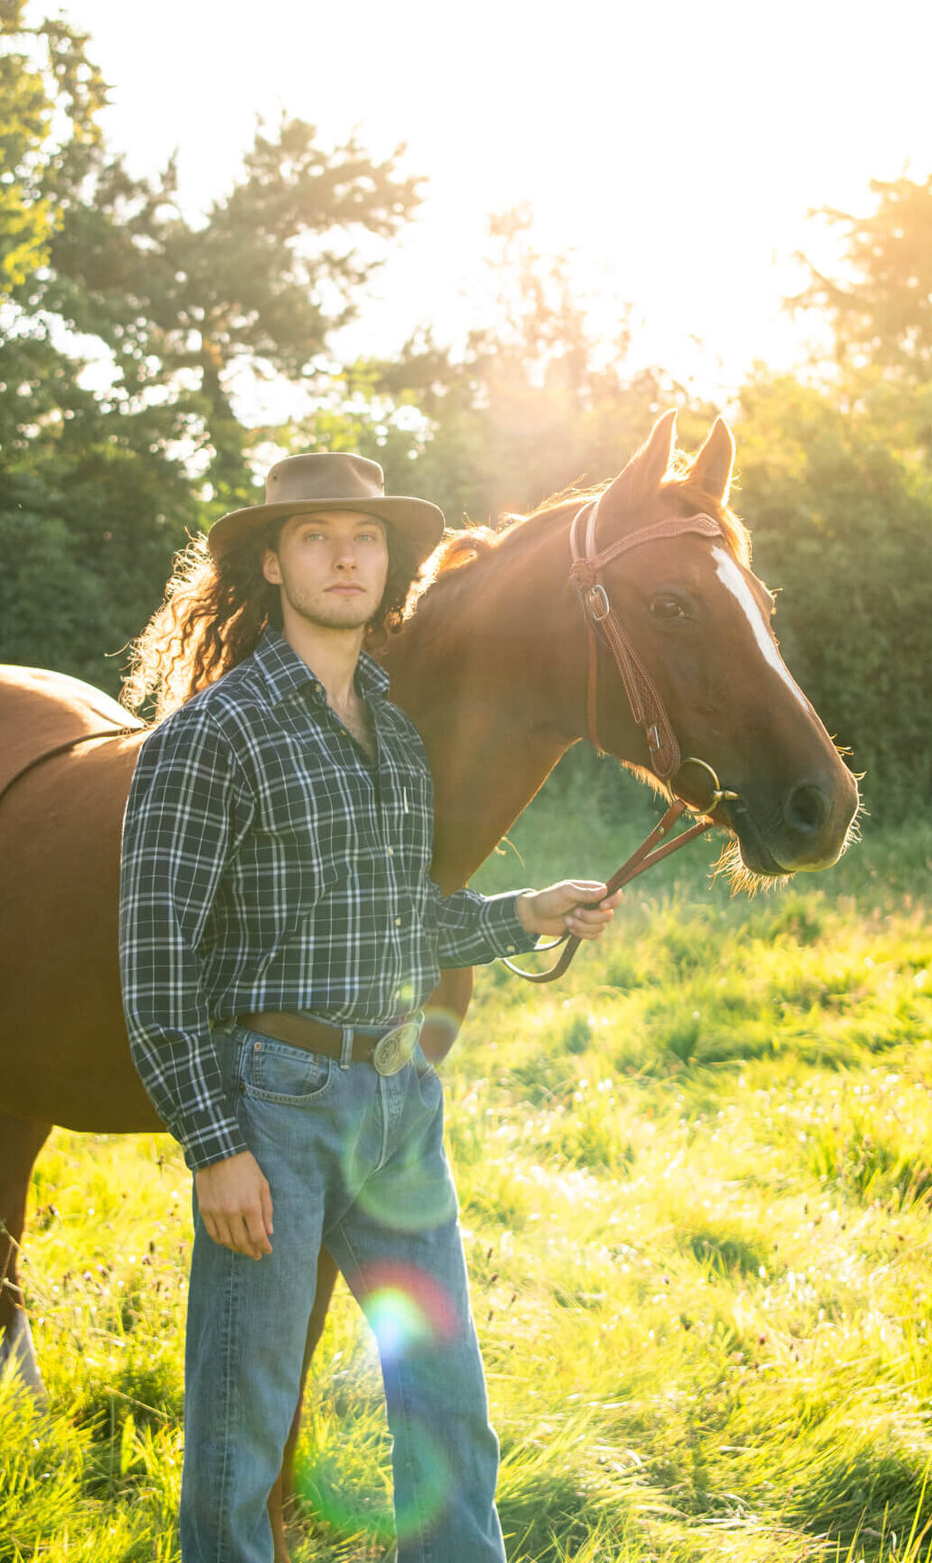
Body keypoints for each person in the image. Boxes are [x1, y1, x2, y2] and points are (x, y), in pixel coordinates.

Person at [119, 452, 619, 1563]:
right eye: (315, 535)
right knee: (243, 1435)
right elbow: (154, 968)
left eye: (366, 536)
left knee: (448, 1407)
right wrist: (216, 1148)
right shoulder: (214, 735)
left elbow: (407, 922)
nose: (346, 555)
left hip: (399, 1102)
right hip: (278, 1111)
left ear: (390, 564)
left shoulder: (391, 728)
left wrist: (527, 911)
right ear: (272, 560)